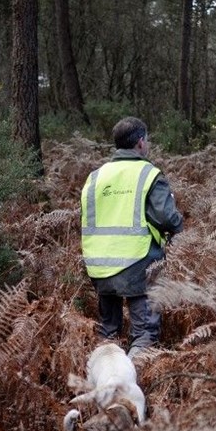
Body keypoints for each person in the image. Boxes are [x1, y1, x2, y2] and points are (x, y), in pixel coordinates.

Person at [80, 117, 184, 357]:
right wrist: (180, 230)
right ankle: (134, 383)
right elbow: (167, 218)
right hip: (138, 264)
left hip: (99, 266)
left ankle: (105, 382)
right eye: (146, 140)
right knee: (144, 333)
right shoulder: (148, 174)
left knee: (109, 333)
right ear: (140, 142)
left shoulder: (95, 177)